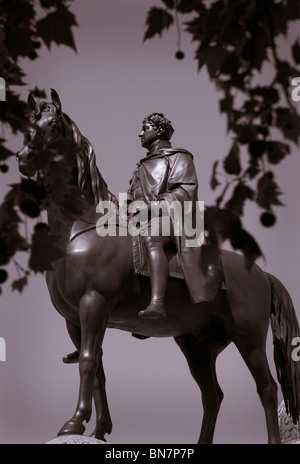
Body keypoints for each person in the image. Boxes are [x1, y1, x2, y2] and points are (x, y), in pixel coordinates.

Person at [127, 113, 219, 322]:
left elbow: (185, 192)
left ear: (159, 130)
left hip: (175, 219)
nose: (140, 133)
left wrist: (152, 208)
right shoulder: (139, 168)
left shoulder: (179, 157)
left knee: (152, 236)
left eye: (145, 127)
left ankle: (158, 303)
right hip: (142, 218)